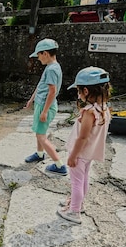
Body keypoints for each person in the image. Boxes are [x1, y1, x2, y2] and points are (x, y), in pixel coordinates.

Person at [57, 67, 111, 224]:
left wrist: (73, 155)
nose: (78, 94)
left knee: (76, 182)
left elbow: (83, 137)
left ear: (86, 91)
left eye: (78, 90)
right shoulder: (104, 109)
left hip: (80, 153)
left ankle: (74, 212)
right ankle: (77, 204)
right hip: (89, 154)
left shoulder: (89, 112)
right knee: (83, 179)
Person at [24, 38, 67, 176]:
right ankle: (39, 153)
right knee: (39, 132)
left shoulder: (52, 69)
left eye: (38, 55)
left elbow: (52, 91)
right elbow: (41, 85)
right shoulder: (51, 67)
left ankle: (60, 165)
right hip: (41, 103)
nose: (38, 58)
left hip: (45, 105)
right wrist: (31, 99)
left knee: (41, 136)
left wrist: (44, 111)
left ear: (45, 54)